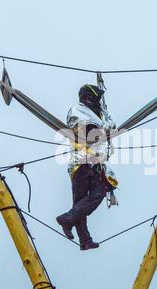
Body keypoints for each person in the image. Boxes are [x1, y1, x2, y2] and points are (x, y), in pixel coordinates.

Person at [56, 84, 117, 250]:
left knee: (97, 194)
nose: (97, 101)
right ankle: (84, 240)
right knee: (80, 201)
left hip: (96, 163)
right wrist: (102, 127)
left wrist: (104, 116)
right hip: (80, 163)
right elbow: (89, 130)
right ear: (88, 97)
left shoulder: (100, 114)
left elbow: (111, 128)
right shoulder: (77, 109)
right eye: (95, 98)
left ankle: (68, 219)